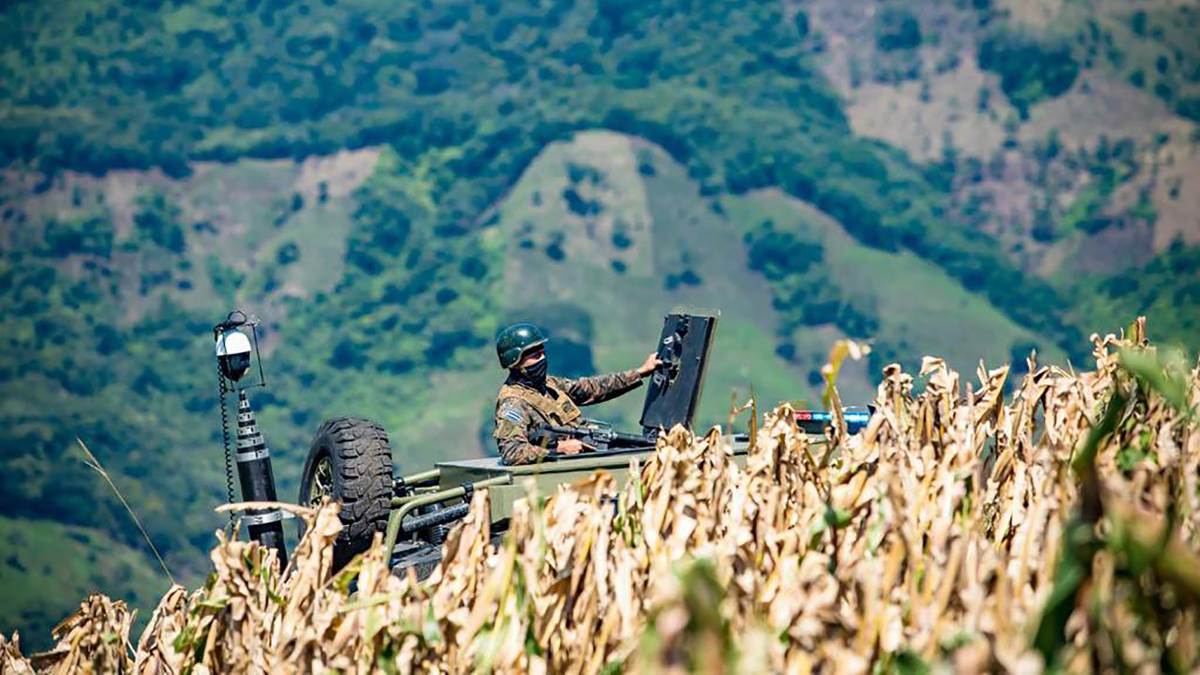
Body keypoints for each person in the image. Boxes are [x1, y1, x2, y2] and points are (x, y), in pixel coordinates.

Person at [492, 323, 661, 465]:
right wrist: (557, 449)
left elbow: (590, 388)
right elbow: (511, 452)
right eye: (536, 356)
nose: (542, 359)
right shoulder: (513, 402)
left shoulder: (547, 385)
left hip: (580, 456)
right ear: (515, 361)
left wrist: (640, 372)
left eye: (543, 353)